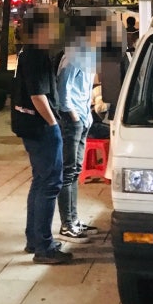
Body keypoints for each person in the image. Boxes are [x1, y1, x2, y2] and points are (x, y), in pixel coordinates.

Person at [11, 11, 73, 265]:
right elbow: (38, 95)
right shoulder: (36, 54)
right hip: (40, 127)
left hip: (29, 125)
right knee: (50, 184)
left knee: (40, 181)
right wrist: (53, 124)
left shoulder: (27, 52)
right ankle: (44, 247)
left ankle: (35, 240)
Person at [56, 14, 105, 240]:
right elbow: (63, 90)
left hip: (83, 118)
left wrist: (87, 115)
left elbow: (85, 89)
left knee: (75, 170)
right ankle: (67, 223)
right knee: (68, 172)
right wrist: (74, 116)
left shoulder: (88, 56)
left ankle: (74, 220)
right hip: (72, 120)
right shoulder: (73, 57)